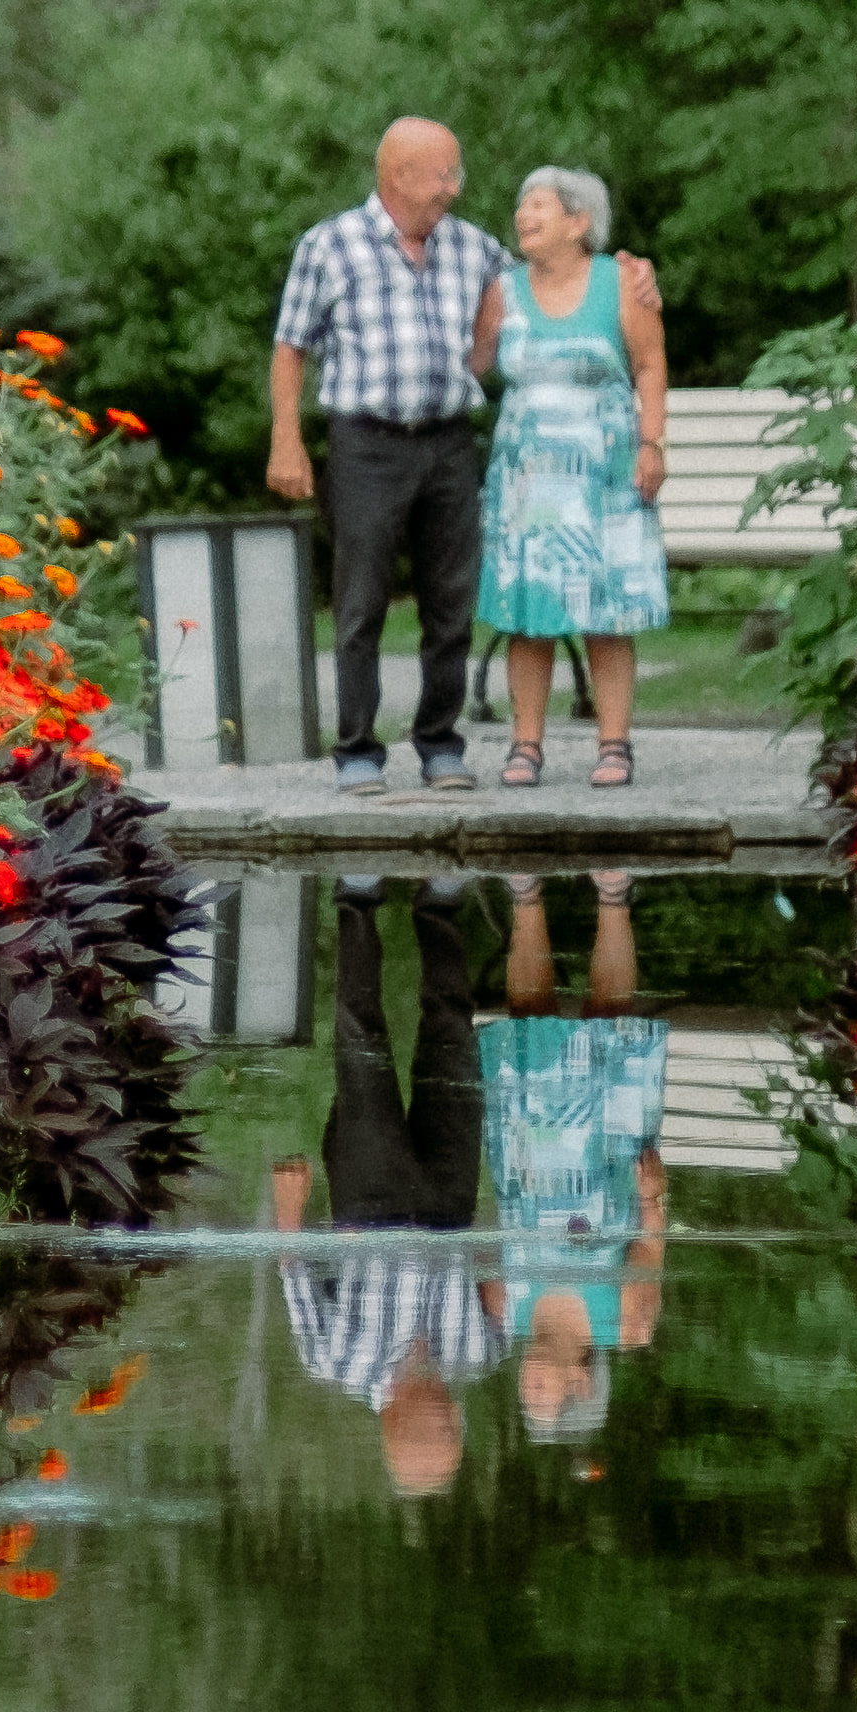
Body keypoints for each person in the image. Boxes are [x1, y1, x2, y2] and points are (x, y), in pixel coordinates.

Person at [263, 118, 508, 795]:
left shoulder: (474, 248)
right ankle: (358, 750)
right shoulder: (330, 245)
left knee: (450, 601)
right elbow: (291, 347)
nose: (456, 188)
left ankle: (439, 743)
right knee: (361, 600)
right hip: (365, 443)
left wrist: (628, 277)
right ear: (398, 175)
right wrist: (286, 439)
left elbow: (541, 287)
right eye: (444, 174)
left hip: (448, 439)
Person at [268, 873, 502, 1494]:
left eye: (442, 1426)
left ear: (395, 1422)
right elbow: (510, 1281)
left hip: (369, 1204)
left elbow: (296, 1276)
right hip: (450, 1203)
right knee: (453, 1039)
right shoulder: (478, 1357)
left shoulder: (335, 1362)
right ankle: (440, 906)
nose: (455, 1414)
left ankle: (358, 900)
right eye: (458, 1428)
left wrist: (289, 1210)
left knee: (362, 1044)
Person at [468, 167, 670, 790]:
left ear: (580, 222)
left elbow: (650, 363)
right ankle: (525, 746)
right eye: (521, 205)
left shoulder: (621, 284)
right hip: (529, 483)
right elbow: (473, 367)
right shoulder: (502, 290)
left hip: (603, 475)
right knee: (529, 615)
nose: (523, 216)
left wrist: (652, 443)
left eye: (539, 206)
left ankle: (615, 745)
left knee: (606, 612)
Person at [477, 869, 666, 1451]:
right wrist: (654, 1195)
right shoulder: (625, 1325)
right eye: (541, 1393)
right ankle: (612, 893)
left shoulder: (504, 1317)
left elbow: (483, 1234)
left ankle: (526, 892)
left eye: (524, 1394)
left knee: (526, 1017)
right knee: (610, 1020)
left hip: (525, 1160)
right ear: (582, 1383)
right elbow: (651, 1246)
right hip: (609, 1163)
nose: (526, 1384)